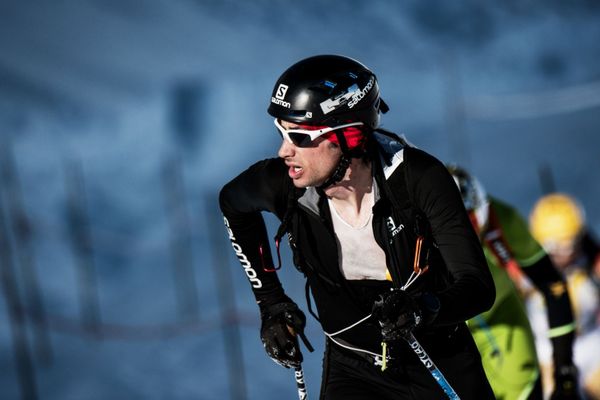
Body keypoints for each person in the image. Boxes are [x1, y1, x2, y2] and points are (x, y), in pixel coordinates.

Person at [219, 54, 496, 399]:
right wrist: (271, 303)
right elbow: (232, 203)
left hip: (438, 360)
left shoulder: (417, 179)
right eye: (281, 133)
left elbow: (477, 287)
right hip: (353, 369)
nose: (284, 151)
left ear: (347, 136)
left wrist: (423, 309)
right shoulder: (285, 184)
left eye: (299, 137)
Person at [447, 165, 581, 400]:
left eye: (478, 231)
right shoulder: (410, 236)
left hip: (504, 325)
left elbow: (553, 286)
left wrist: (564, 372)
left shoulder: (501, 219)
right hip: (451, 341)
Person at [529, 193, 600, 399]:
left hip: (591, 345)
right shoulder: (525, 274)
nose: (567, 254)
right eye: (559, 248)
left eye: (572, 244)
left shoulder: (590, 264)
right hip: (548, 355)